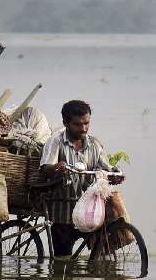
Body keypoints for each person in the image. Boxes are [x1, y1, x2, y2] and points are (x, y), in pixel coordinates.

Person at [40, 100, 123, 256]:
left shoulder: (94, 144)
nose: (83, 128)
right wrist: (57, 167)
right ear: (65, 122)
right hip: (62, 211)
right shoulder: (56, 141)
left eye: (86, 123)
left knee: (103, 247)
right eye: (77, 124)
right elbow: (45, 170)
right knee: (62, 260)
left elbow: (106, 169)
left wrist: (115, 176)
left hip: (89, 211)